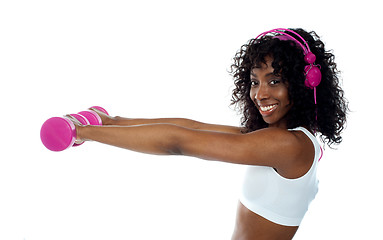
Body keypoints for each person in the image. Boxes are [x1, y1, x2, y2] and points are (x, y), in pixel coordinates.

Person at [71, 28, 348, 239]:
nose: (260, 94)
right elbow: (193, 126)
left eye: (274, 81)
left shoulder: (287, 145)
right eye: (254, 82)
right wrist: (110, 121)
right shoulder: (278, 139)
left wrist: (83, 132)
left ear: (304, 84)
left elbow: (178, 142)